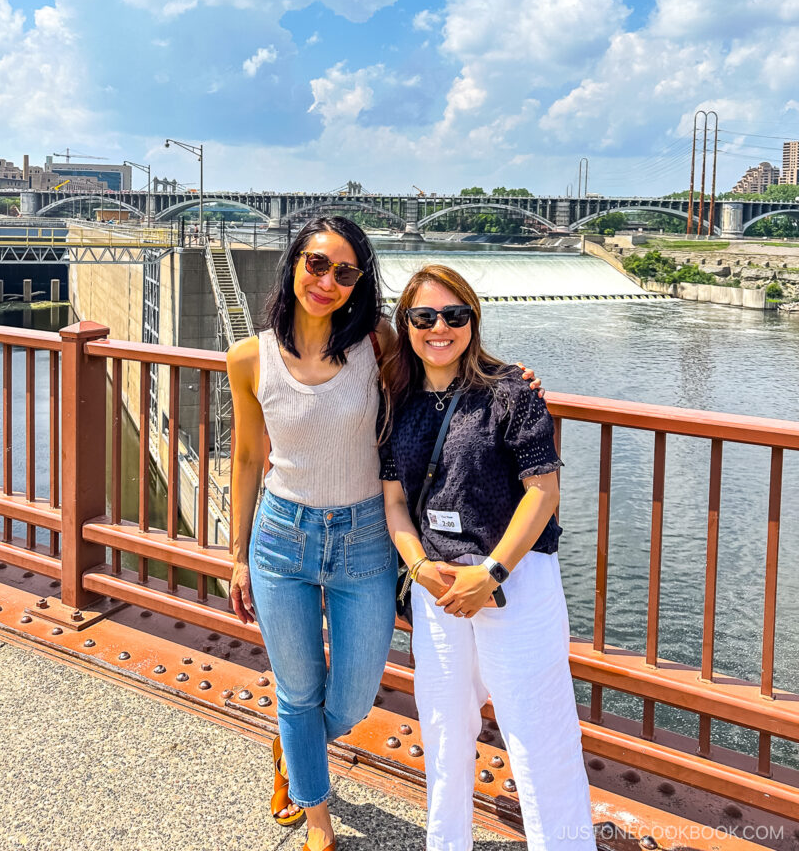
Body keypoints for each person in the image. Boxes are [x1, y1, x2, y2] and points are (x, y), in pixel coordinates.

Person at [227, 220, 544, 851]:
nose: (328, 282)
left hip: (366, 537)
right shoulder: (248, 357)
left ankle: (294, 746)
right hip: (281, 536)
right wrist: (236, 556)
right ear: (293, 264)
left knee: (349, 699)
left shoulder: (377, 343)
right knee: (296, 690)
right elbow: (243, 458)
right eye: (317, 265)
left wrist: (513, 381)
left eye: (346, 273)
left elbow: (442, 362)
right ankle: (316, 818)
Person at [380, 264, 596, 851]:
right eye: (424, 317)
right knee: (445, 737)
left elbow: (542, 491)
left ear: (473, 321)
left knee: (538, 738)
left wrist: (492, 571)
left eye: (455, 315)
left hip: (514, 583)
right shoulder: (397, 399)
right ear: (407, 325)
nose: (439, 328)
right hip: (438, 590)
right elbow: (395, 500)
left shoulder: (509, 391)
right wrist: (421, 568)